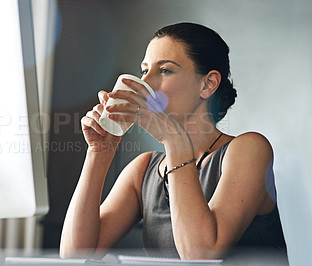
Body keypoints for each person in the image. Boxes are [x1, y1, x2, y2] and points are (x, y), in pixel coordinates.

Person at [59, 22, 286, 260]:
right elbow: (75, 256)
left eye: (165, 70)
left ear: (207, 84)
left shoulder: (249, 149)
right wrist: (99, 152)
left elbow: (200, 256)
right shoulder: (144, 170)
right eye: (144, 71)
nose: (146, 83)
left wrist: (173, 138)